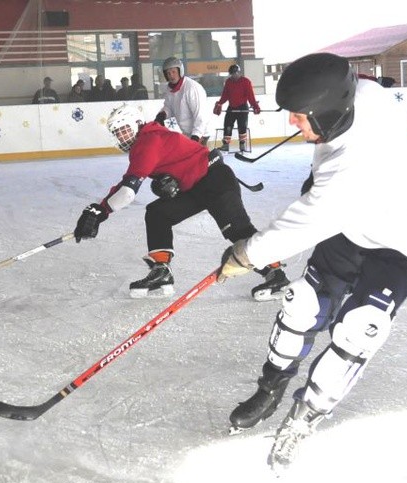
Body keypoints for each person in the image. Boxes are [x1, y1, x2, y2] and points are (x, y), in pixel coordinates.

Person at [217, 53, 407, 470]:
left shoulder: (353, 169)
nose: (292, 123)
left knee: (359, 331)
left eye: (300, 117)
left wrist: (243, 254)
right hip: (356, 220)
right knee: (302, 303)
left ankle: (303, 419)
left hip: (404, 237)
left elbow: (300, 226)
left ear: (328, 113)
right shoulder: (362, 95)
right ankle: (270, 388)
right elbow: (348, 87)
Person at [72, 104, 289, 300]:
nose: (121, 137)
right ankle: (161, 272)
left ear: (137, 124)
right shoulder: (147, 138)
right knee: (158, 213)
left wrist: (100, 211)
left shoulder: (148, 141)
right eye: (117, 133)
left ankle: (276, 274)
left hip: (215, 181)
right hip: (195, 186)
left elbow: (128, 191)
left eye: (124, 130)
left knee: (238, 231)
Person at [155, 56, 211, 146]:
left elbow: (200, 115)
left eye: (173, 72)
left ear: (180, 71)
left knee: (197, 159)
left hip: (201, 133)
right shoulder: (170, 89)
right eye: (168, 73)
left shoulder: (191, 88)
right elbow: (169, 106)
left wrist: (196, 137)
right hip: (188, 133)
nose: (171, 76)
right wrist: (162, 114)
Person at [213, 64, 260, 153]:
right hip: (231, 107)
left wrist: (255, 105)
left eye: (234, 74)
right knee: (227, 125)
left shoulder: (246, 82)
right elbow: (225, 95)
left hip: (242, 107)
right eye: (231, 74)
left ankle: (242, 144)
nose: (233, 76)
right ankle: (226, 145)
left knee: (242, 126)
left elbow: (251, 96)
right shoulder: (228, 82)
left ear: (239, 72)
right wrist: (219, 103)